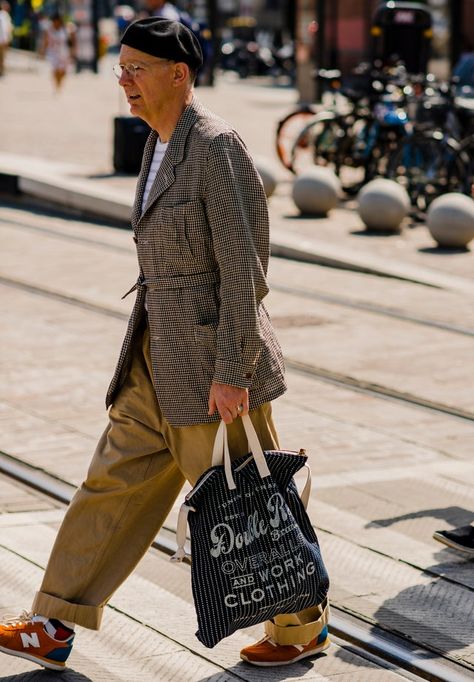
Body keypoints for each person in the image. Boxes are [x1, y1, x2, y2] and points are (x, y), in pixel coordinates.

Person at [0, 17, 329, 671]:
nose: (122, 80)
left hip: (215, 372)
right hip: (154, 360)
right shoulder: (156, 143)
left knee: (248, 504)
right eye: (120, 66)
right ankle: (54, 620)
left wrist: (233, 370)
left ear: (178, 74)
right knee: (109, 486)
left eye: (135, 68)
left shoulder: (216, 146)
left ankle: (299, 629)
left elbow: (246, 270)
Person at [40, 13, 75, 92]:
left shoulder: (66, 28)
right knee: (55, 69)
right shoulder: (49, 29)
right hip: (53, 52)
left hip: (64, 52)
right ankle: (56, 85)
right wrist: (43, 51)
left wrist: (73, 51)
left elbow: (72, 40)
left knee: (63, 71)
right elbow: (45, 41)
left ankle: (60, 82)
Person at [0, 1, 12, 77]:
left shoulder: (5, 15)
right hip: (2, 39)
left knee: (2, 57)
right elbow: (6, 29)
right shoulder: (3, 15)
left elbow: (7, 28)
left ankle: (2, 71)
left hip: (3, 39)